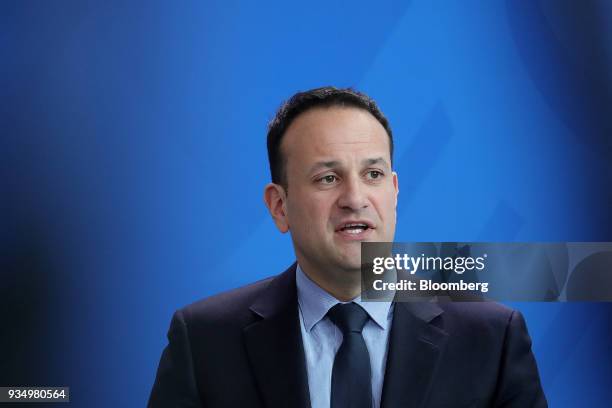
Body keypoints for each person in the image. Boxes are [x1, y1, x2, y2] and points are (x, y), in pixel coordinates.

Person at [148, 87, 547, 408]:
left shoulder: (491, 336)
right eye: (327, 178)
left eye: (372, 174)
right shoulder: (205, 340)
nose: (355, 198)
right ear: (279, 206)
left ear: (393, 192)